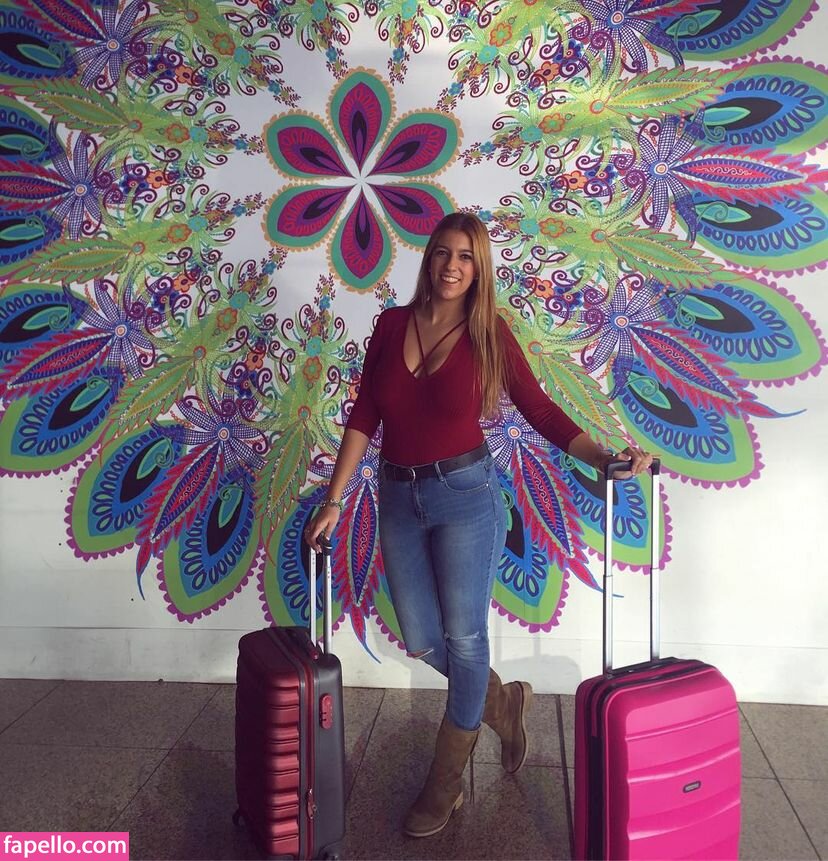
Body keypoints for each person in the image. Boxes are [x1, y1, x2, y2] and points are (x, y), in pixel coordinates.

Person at [305, 211, 653, 838]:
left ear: (479, 267)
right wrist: (335, 499)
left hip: (466, 495)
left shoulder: (488, 332)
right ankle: (503, 702)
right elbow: (364, 414)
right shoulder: (391, 324)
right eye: (443, 252)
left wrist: (603, 457)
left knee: (465, 640)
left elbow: (539, 409)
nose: (452, 265)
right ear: (429, 258)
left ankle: (444, 785)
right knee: (421, 637)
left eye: (466, 256)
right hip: (396, 494)